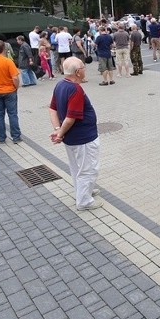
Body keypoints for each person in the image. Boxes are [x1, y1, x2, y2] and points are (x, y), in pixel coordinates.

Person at [49, 57, 103, 211]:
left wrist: (57, 129)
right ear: (78, 72)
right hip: (83, 137)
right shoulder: (75, 89)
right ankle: (85, 201)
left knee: (76, 167)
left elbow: (52, 108)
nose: (85, 69)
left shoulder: (60, 85)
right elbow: (71, 117)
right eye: (83, 67)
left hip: (72, 138)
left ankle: (85, 190)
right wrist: (60, 132)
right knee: (88, 168)